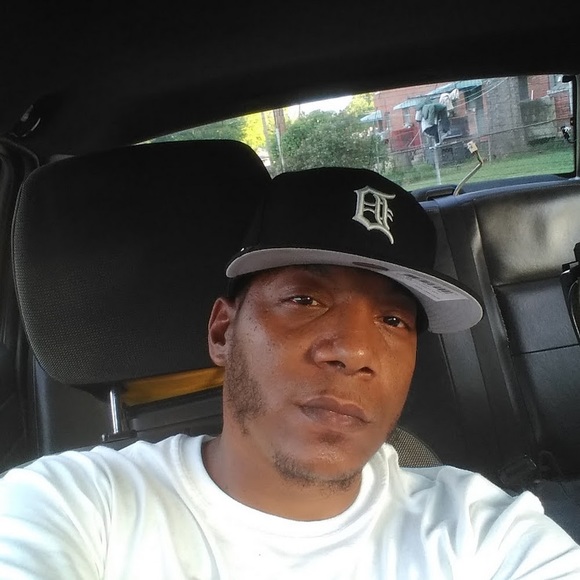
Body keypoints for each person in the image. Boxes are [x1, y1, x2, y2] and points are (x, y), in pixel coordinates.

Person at [0, 167, 579, 579]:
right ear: (223, 332)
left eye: (393, 319)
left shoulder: (478, 528)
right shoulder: (75, 506)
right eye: (304, 300)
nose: (354, 350)